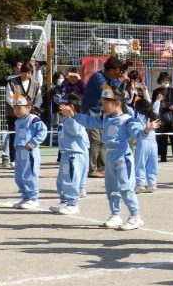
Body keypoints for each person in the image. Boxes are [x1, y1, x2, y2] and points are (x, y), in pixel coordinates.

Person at [60, 84, 158, 230]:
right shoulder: (105, 118)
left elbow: (138, 133)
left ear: (117, 103)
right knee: (111, 188)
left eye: (106, 103)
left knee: (125, 187)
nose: (103, 106)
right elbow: (90, 122)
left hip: (123, 156)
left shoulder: (127, 120)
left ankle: (135, 216)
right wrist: (73, 115)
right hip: (110, 155)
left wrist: (146, 129)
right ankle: (115, 215)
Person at [81, 57, 125, 178]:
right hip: (91, 110)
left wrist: (122, 82)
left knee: (103, 139)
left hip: (101, 111)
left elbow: (117, 92)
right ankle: (92, 169)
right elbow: (106, 91)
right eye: (117, 70)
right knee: (95, 140)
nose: (118, 73)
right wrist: (120, 80)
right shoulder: (98, 77)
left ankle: (102, 167)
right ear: (110, 69)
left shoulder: (111, 78)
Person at [50, 92, 89, 215]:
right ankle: (64, 201)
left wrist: (71, 116)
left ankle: (73, 203)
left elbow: (76, 130)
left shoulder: (76, 119)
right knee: (62, 179)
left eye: (64, 105)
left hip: (74, 154)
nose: (60, 107)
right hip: (67, 154)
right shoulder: (66, 119)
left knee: (70, 179)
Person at [11, 90, 48, 209]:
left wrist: (33, 142)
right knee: (19, 175)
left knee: (29, 174)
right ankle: (25, 197)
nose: (16, 109)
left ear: (28, 107)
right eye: (15, 107)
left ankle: (33, 198)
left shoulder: (33, 119)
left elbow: (43, 131)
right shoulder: (18, 121)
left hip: (29, 151)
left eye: (19, 107)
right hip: (20, 151)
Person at [5, 62, 42, 168]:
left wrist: (35, 107)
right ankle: (13, 159)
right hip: (14, 114)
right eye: (24, 72)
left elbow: (38, 97)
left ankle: (29, 157)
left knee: (29, 135)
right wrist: (19, 107)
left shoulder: (35, 83)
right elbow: (9, 97)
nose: (26, 75)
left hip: (30, 114)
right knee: (15, 135)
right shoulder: (11, 82)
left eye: (29, 73)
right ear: (21, 72)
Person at [153, 71, 173, 162]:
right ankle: (163, 156)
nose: (166, 82)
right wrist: (159, 103)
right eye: (164, 80)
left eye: (167, 80)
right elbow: (154, 103)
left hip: (171, 116)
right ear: (160, 81)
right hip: (160, 116)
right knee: (162, 137)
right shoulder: (156, 91)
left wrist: (172, 106)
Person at [134, 92, 161, 194]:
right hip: (153, 142)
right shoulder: (152, 115)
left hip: (143, 140)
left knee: (140, 163)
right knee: (152, 163)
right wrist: (157, 101)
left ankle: (140, 184)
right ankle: (152, 184)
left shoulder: (138, 116)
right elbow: (155, 108)